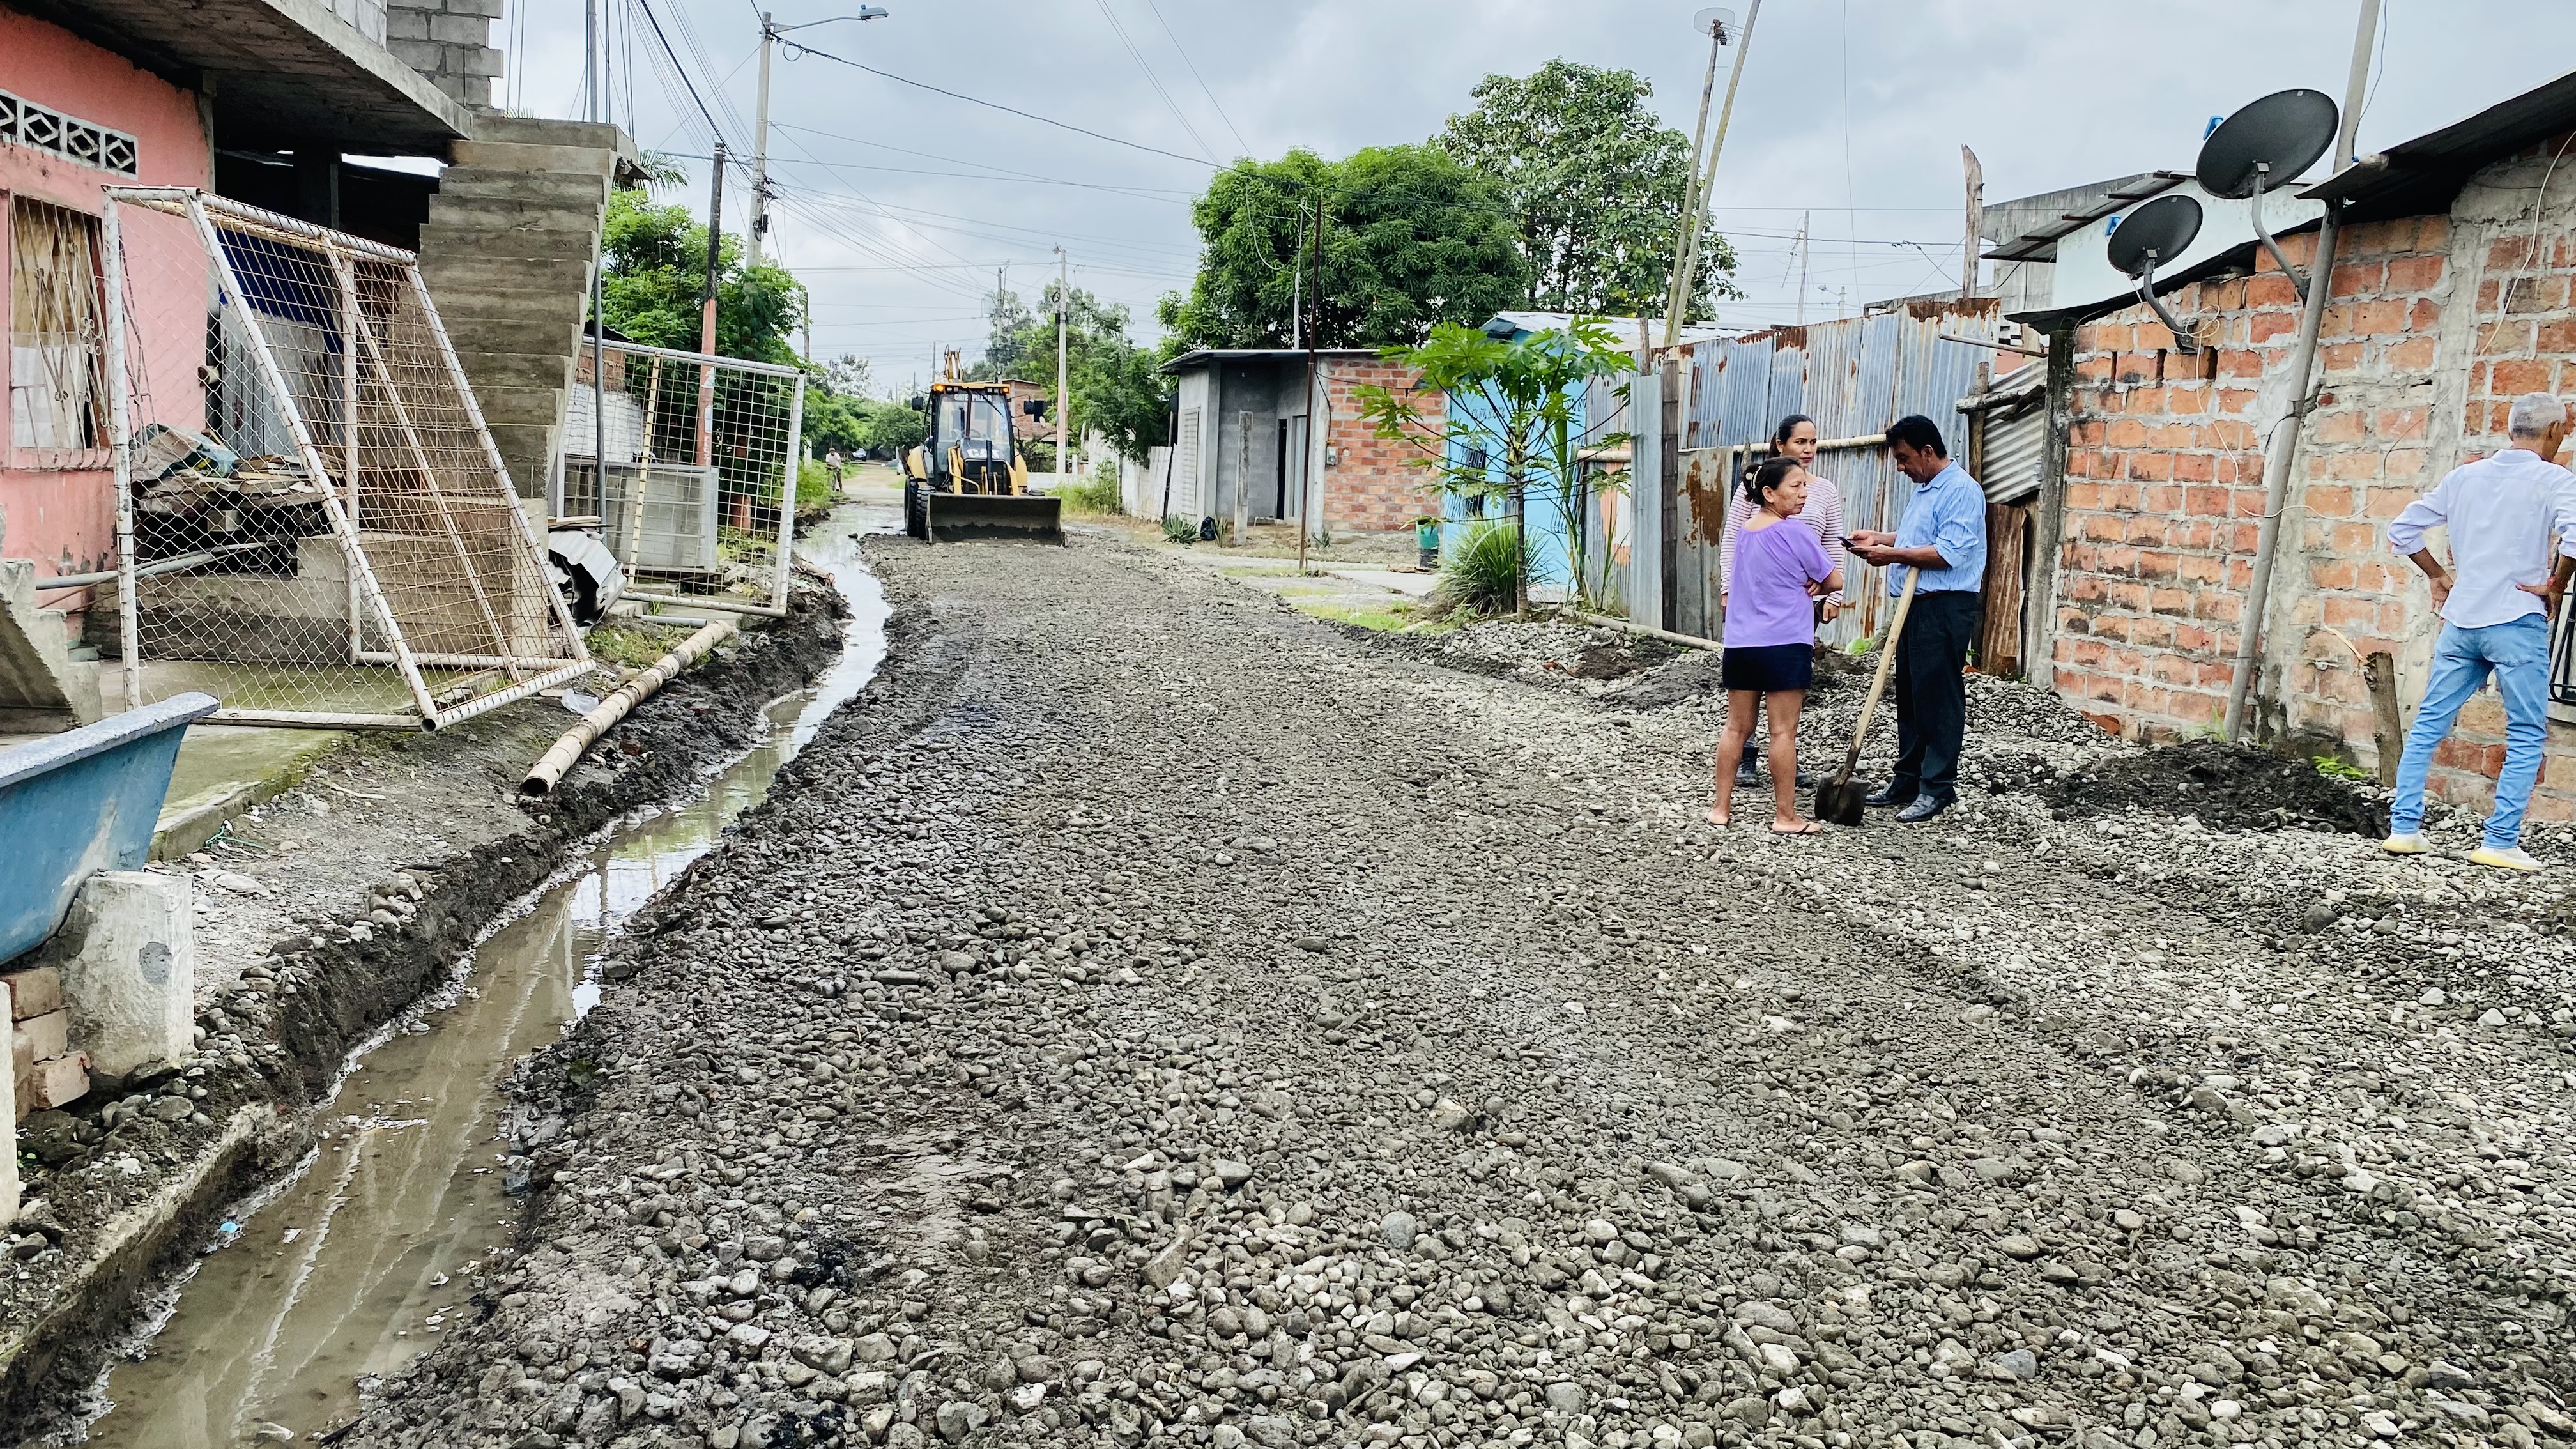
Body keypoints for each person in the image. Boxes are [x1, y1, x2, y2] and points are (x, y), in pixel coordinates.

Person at [2381, 392, 2576, 871]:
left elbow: (2402, 531)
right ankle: (2500, 842)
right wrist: (2556, 585)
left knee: (2429, 722)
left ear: (2511, 429)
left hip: (2463, 621)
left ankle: (2404, 831)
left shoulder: (2464, 477)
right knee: (2526, 731)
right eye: (2565, 431)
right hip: (2516, 621)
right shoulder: (2555, 479)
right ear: (2554, 431)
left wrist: (2437, 575)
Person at [1846, 415, 1986, 823]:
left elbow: (1948, 552)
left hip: (1944, 607)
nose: (1900, 467)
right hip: (1914, 606)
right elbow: (1918, 540)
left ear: (1927, 452)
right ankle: (1907, 779)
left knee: (1937, 696)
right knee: (1910, 695)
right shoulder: (1926, 489)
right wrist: (1879, 539)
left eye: (1904, 458)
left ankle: (1937, 787)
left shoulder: (1961, 491)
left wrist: (1890, 555)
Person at [1710, 456, 1844, 834]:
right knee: (1783, 733)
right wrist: (1818, 582)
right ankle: (1786, 816)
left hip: (1741, 643)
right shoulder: (1796, 532)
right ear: (1769, 493)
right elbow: (1833, 579)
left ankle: (1721, 808)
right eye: (1796, 487)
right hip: (1784, 641)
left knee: (1736, 728)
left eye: (1805, 486)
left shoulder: (1745, 532)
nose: (1804, 494)